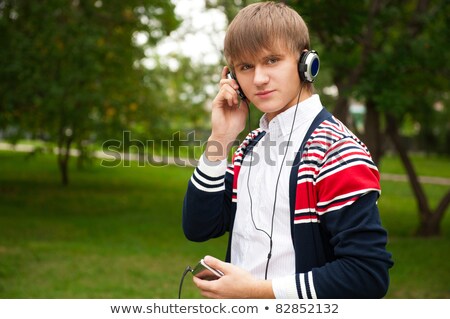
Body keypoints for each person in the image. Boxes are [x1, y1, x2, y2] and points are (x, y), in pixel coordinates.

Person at [182, 1, 393, 299]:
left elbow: (367, 274)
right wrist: (221, 138)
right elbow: (198, 227)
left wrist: (257, 291)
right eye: (246, 67)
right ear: (233, 79)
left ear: (306, 63)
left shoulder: (335, 151)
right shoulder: (250, 147)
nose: (258, 79)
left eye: (271, 60)